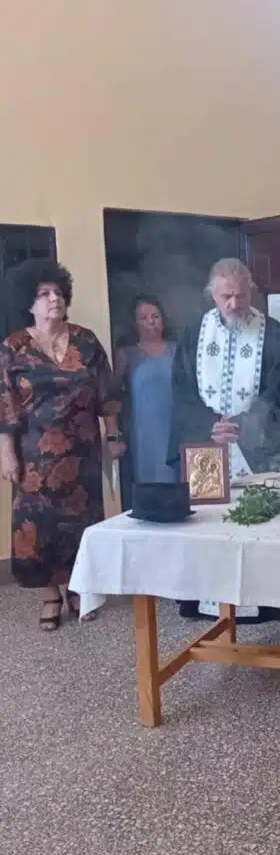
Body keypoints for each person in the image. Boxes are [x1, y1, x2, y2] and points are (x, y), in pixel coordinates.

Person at [0, 259, 124, 630]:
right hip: (34, 456)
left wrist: (113, 435)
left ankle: (77, 587)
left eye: (58, 292)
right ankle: (51, 594)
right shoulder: (13, 348)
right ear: (29, 302)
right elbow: (4, 405)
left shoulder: (86, 341)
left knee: (81, 524)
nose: (54, 299)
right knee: (38, 526)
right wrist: (6, 454)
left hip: (82, 451)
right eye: (44, 294)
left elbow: (107, 393)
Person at [169, 258, 280, 622]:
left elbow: (278, 388)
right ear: (213, 295)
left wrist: (243, 424)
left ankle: (261, 602)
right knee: (208, 523)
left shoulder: (271, 330)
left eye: (241, 295)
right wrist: (210, 424)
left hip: (254, 444)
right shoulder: (194, 331)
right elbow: (181, 389)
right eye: (226, 297)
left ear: (250, 291)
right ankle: (207, 600)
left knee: (257, 523)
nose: (234, 304)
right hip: (205, 444)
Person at [115, 296, 178, 504]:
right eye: (144, 318)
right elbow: (113, 394)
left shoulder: (177, 350)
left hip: (174, 427)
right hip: (143, 430)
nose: (151, 322)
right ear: (135, 323)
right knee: (148, 483)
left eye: (155, 316)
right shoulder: (127, 354)